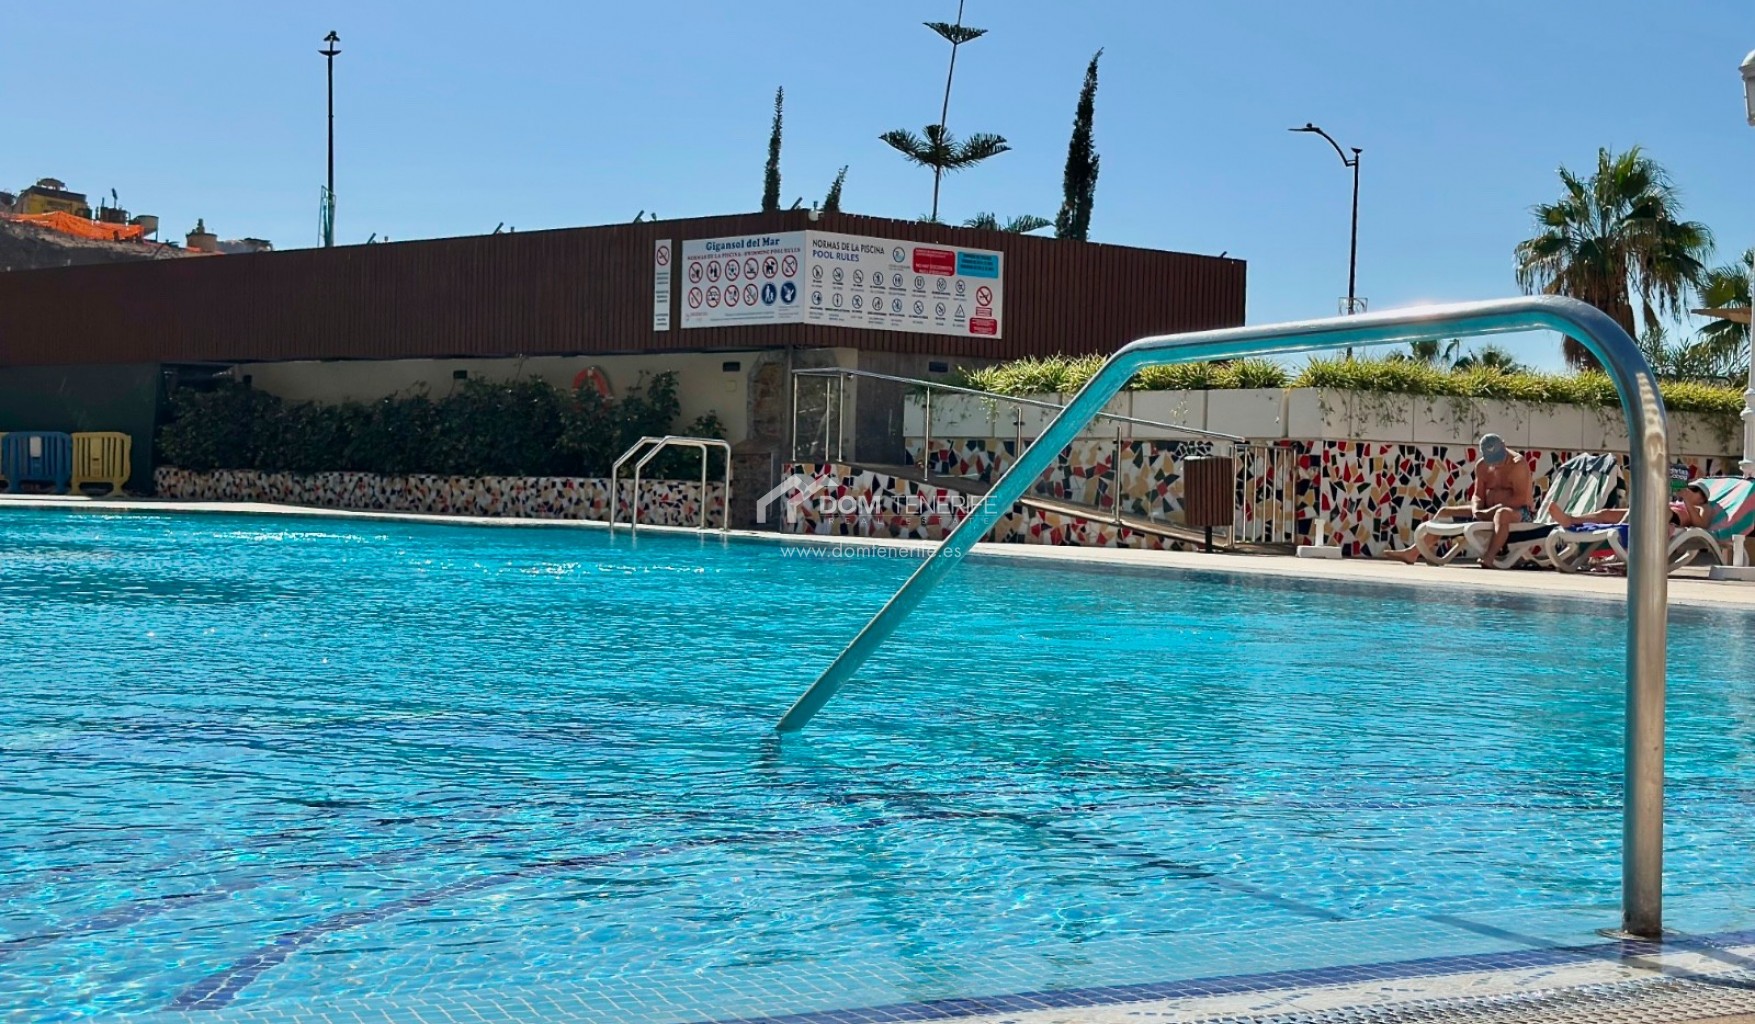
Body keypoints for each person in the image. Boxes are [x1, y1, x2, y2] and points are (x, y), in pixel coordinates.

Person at [1384, 434, 1534, 565]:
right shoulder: (1482, 466)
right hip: (1487, 510)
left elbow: (1520, 499)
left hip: (1518, 513)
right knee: (1444, 512)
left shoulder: (1518, 465)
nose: (1497, 464)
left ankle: (1489, 557)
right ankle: (1413, 553)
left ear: (1504, 446)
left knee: (1501, 514)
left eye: (1499, 458)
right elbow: (1478, 495)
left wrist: (1493, 510)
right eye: (1492, 460)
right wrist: (1476, 509)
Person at [1549, 481, 1712, 532]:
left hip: (1672, 518)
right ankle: (1570, 520)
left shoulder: (1704, 508)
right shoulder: (1678, 500)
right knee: (1606, 513)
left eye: (1694, 490)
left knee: (1660, 508)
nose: (1689, 490)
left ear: (1702, 498)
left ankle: (1621, 531)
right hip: (1650, 511)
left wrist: (1687, 501)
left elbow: (1702, 525)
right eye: (1689, 487)